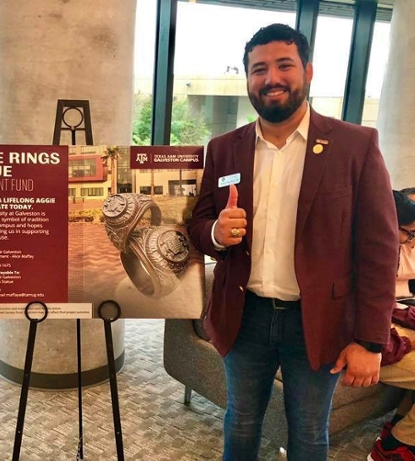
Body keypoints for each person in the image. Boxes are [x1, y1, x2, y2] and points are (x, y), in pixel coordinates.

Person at [187, 23, 398, 460]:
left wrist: (371, 340)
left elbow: (380, 248)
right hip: (244, 315)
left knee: (308, 431)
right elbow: (198, 224)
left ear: (308, 71)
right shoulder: (224, 148)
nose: (271, 78)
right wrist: (215, 233)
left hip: (319, 320)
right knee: (240, 420)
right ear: (247, 79)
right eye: (258, 68)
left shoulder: (354, 146)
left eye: (285, 65)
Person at [368, 190, 415, 460]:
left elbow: (389, 308)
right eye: (409, 233)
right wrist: (409, 342)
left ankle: (398, 430)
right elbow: (366, 331)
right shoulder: (362, 260)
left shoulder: (386, 253)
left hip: (386, 332)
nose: (410, 242)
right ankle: (395, 446)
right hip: (369, 346)